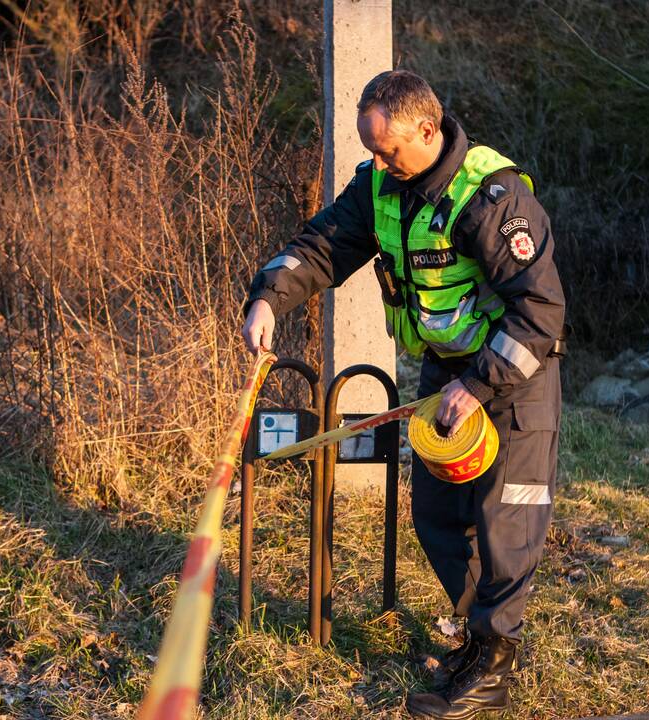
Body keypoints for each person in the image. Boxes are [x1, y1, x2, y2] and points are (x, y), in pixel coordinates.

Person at [240, 70, 566, 719]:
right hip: (446, 374)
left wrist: (478, 386)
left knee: (506, 523)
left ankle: (493, 671)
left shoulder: (492, 196)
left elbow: (542, 313)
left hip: (511, 376)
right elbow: (322, 246)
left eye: (388, 149)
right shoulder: (380, 188)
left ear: (427, 127)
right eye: (371, 150)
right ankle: (477, 638)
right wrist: (266, 297)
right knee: (437, 517)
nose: (378, 162)